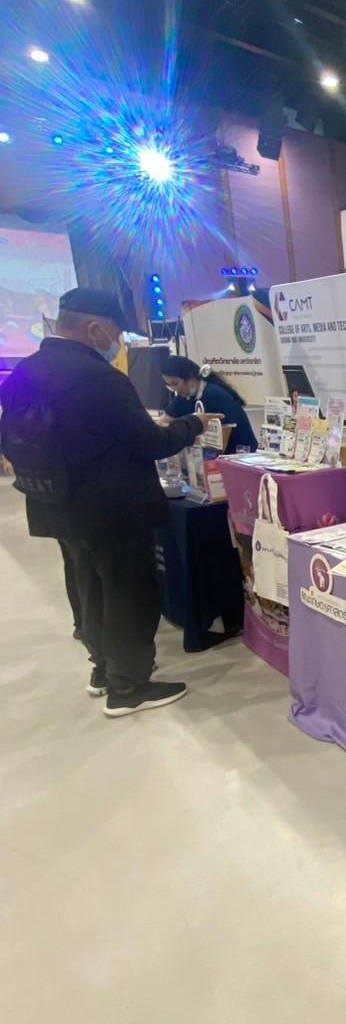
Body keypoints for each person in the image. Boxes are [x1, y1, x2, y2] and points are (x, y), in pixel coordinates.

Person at [0, 288, 211, 716]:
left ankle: (103, 668)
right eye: (116, 334)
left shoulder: (26, 371)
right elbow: (151, 441)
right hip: (112, 508)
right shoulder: (99, 378)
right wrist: (193, 424)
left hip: (57, 504)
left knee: (87, 586)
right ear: (95, 329)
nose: (117, 343)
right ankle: (128, 687)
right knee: (127, 591)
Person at [162, 356, 258, 452]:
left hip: (238, 453)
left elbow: (220, 446)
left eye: (175, 383)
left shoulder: (215, 395)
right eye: (169, 385)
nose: (174, 389)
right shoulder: (184, 396)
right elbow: (163, 424)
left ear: (191, 378)